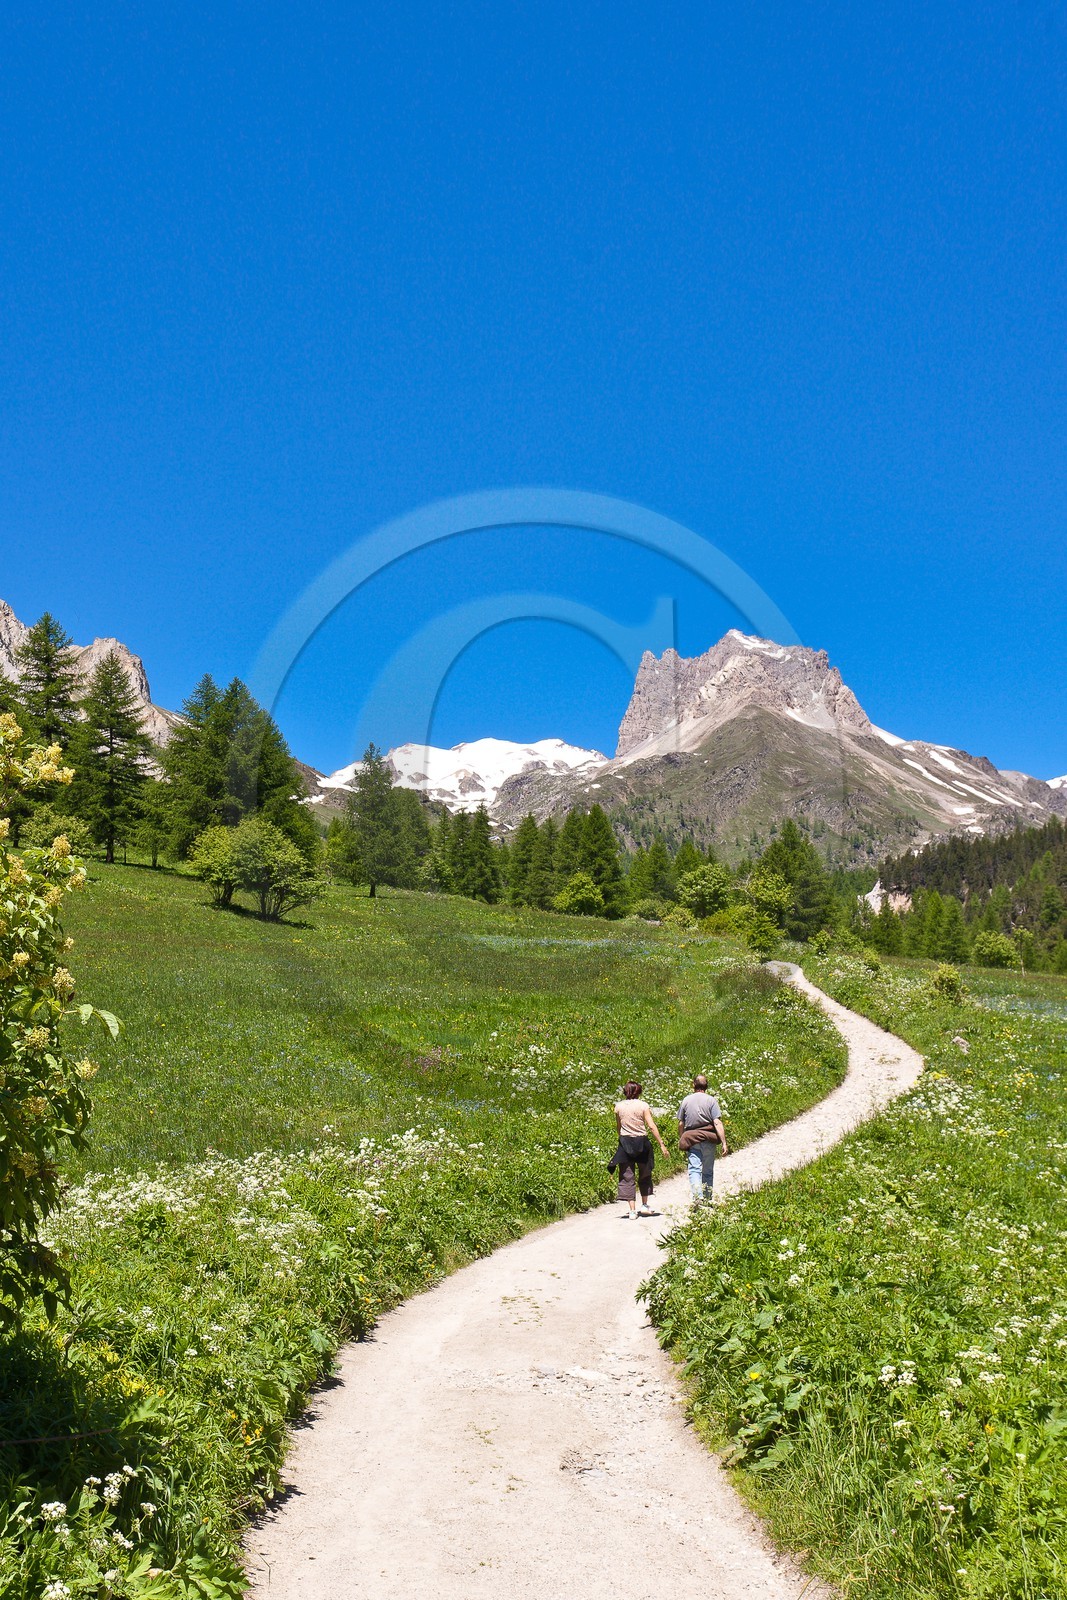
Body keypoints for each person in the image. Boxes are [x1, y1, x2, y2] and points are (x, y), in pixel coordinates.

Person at [609, 1080, 669, 1218]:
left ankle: (631, 1210)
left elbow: (618, 1126)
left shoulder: (618, 1106)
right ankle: (644, 1204)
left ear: (626, 1091)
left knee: (627, 1175)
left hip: (625, 1142)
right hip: (641, 1141)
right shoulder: (643, 1105)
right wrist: (661, 1143)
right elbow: (651, 1125)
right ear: (638, 1092)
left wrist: (622, 1137)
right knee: (645, 1172)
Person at [677, 1074, 728, 1205]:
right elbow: (717, 1122)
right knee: (708, 1170)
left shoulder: (686, 1100)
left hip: (692, 1138)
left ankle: (697, 1196)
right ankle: (707, 1198)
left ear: (693, 1085)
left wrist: (682, 1138)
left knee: (694, 1169)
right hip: (709, 1138)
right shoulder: (711, 1101)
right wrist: (724, 1142)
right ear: (706, 1086)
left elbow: (681, 1123)